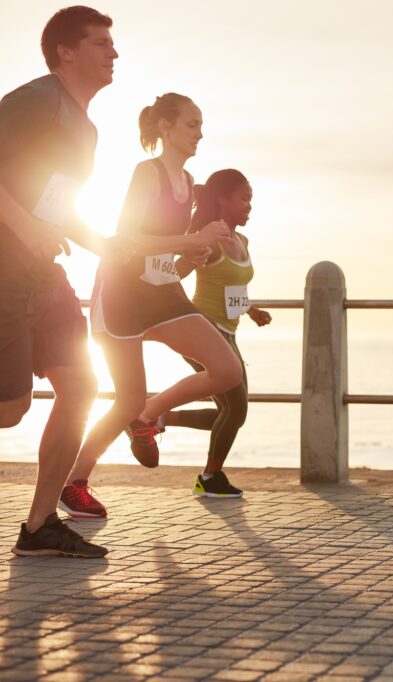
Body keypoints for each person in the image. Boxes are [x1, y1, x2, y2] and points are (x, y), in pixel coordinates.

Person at [58, 93, 242, 518]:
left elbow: (161, 257)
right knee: (124, 398)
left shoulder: (188, 182)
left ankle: (148, 416)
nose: (200, 133)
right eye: (192, 124)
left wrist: (191, 256)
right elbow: (126, 239)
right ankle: (74, 483)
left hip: (163, 292)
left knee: (227, 370)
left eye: (201, 125)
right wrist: (190, 240)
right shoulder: (148, 173)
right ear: (166, 128)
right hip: (121, 294)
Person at [2, 6, 128, 558]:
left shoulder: (88, 128)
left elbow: (61, 204)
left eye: (112, 43)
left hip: (43, 276)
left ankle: (38, 527)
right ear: (65, 52)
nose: (114, 53)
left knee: (80, 386)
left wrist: (110, 247)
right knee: (8, 411)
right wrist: (25, 225)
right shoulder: (36, 99)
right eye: (101, 43)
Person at [157, 169, 271, 498]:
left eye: (251, 199)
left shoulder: (242, 241)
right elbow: (173, 275)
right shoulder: (208, 238)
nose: (249, 206)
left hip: (229, 331)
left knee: (233, 412)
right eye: (244, 198)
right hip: (203, 329)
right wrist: (180, 312)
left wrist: (250, 310)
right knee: (235, 409)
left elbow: (232, 286)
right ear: (223, 199)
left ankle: (161, 416)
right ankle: (209, 477)